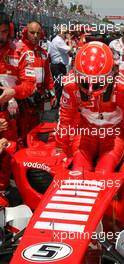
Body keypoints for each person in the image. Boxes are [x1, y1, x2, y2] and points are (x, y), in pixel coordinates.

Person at [56, 41, 124, 173]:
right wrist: (60, 150)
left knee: (104, 172)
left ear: (112, 73)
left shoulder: (123, 86)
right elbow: (65, 119)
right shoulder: (71, 84)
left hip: (114, 135)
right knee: (78, 170)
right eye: (85, 82)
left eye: (97, 82)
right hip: (85, 133)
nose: (90, 89)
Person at [0, 12, 36, 190]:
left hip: (8, 112)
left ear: (10, 31)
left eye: (4, 32)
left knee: (7, 151)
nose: (1, 36)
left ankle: (2, 192)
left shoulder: (21, 51)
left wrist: (13, 91)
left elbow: (30, 84)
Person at [16, 21, 55, 145]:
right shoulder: (18, 49)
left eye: (38, 33)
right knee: (21, 131)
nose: (35, 35)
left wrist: (52, 93)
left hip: (38, 99)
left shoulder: (43, 53)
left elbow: (48, 76)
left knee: (38, 128)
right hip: (22, 99)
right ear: (26, 32)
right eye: (32, 32)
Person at [49, 27, 72, 105]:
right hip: (58, 66)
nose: (66, 35)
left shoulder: (58, 40)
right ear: (61, 33)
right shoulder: (58, 40)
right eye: (65, 33)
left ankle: (58, 101)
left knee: (60, 85)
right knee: (59, 85)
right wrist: (69, 40)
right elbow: (69, 49)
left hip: (58, 66)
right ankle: (57, 102)